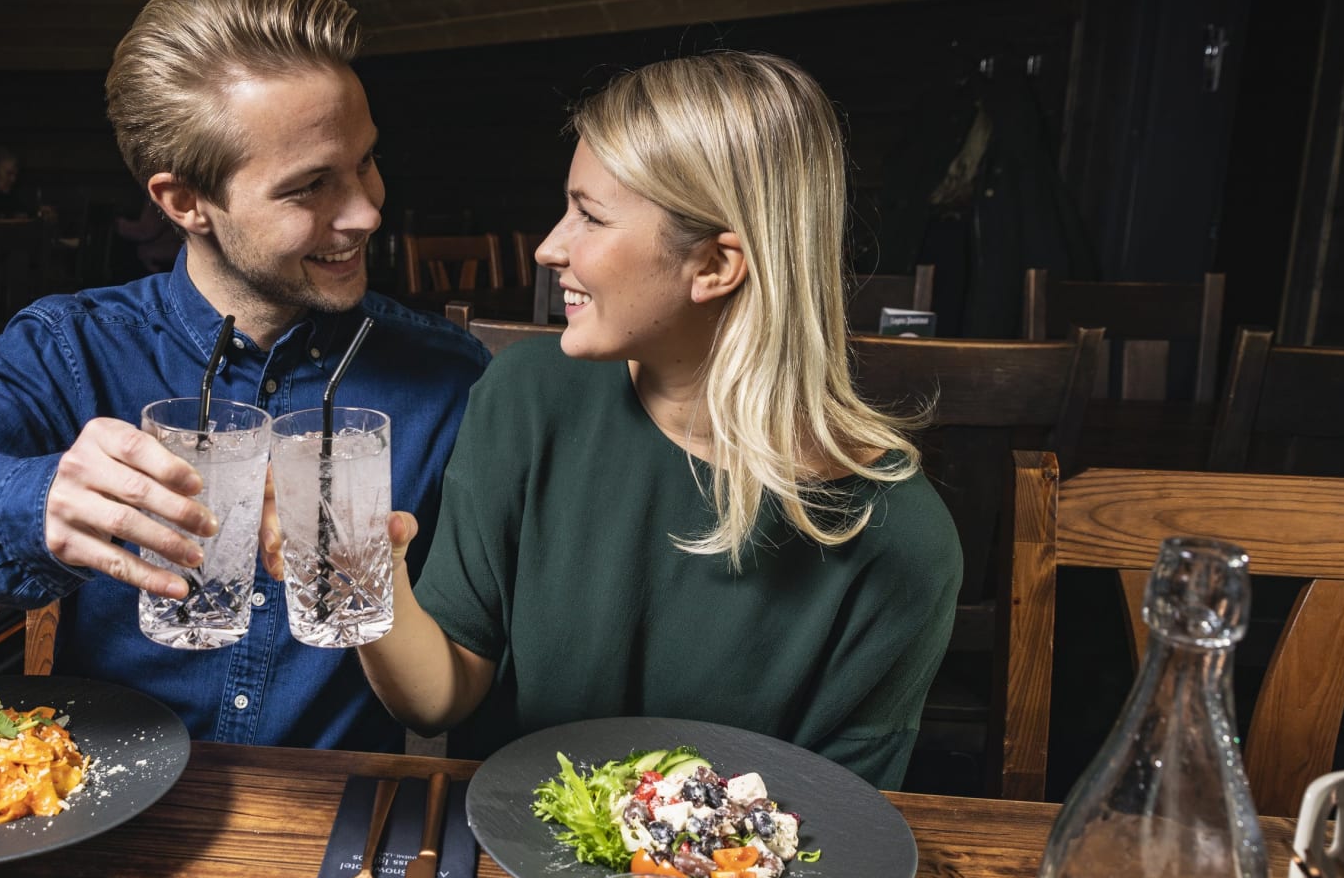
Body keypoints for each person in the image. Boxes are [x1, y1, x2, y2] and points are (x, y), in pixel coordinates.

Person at [0, 0, 489, 751]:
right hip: (93, 801)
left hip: (323, 826)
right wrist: (35, 510)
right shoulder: (73, 347)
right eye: (310, 188)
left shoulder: (451, 378)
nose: (367, 210)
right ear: (183, 201)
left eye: (365, 163)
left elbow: (468, 666)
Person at [266, 51, 961, 788]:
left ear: (716, 267)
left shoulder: (902, 540)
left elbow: (833, 834)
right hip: (510, 876)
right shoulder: (527, 397)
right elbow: (442, 697)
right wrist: (372, 576)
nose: (548, 248)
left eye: (589, 217)